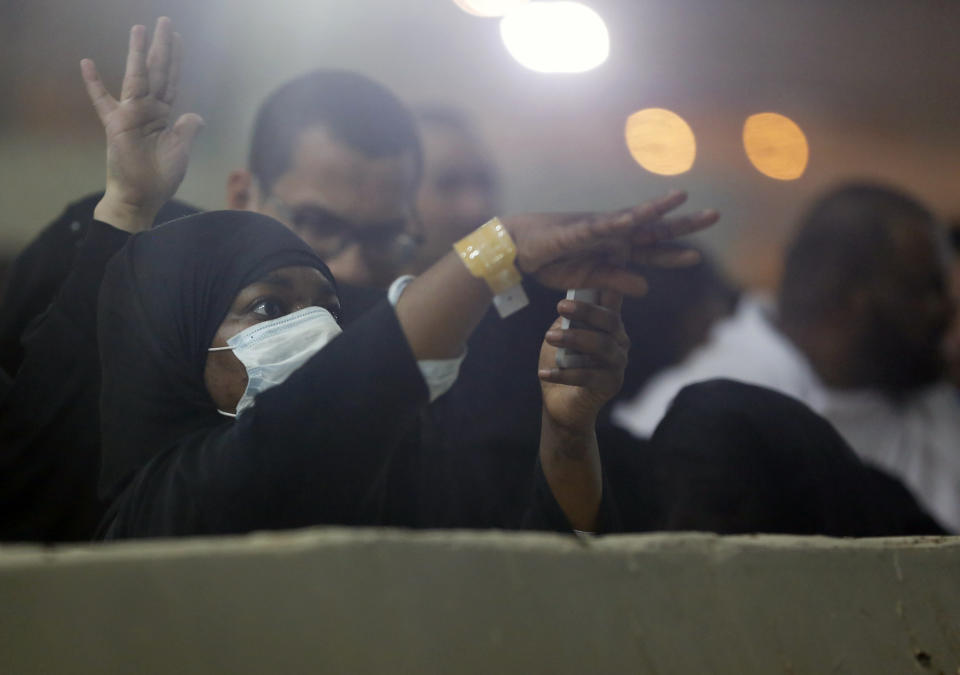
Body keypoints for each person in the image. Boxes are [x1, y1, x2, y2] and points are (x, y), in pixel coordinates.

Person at [76, 20, 716, 537]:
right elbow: (316, 420)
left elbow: (507, 574)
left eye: (332, 311)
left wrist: (569, 436)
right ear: (181, 339)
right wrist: (501, 248)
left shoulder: (405, 453)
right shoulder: (164, 498)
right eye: (269, 309)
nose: (347, 275)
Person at [613, 182, 960, 532]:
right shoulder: (711, 405)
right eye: (925, 289)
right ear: (844, 295)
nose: (947, 308)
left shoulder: (929, 397)